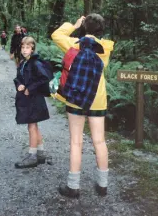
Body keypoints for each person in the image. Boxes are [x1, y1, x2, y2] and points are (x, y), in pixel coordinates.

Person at [51, 14, 114, 198]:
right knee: (100, 141)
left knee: (76, 142)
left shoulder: (74, 44)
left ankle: (73, 187)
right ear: (101, 30)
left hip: (76, 97)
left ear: (84, 27)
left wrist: (74, 24)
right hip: (97, 98)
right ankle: (103, 186)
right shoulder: (106, 48)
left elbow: (56, 35)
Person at [13, 36, 50, 169]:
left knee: (31, 126)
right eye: (23, 47)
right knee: (34, 125)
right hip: (27, 99)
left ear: (32, 48)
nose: (24, 50)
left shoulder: (35, 63)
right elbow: (18, 78)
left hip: (34, 99)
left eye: (27, 47)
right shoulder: (23, 62)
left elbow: (44, 78)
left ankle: (32, 155)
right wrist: (19, 85)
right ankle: (40, 153)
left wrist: (30, 88)